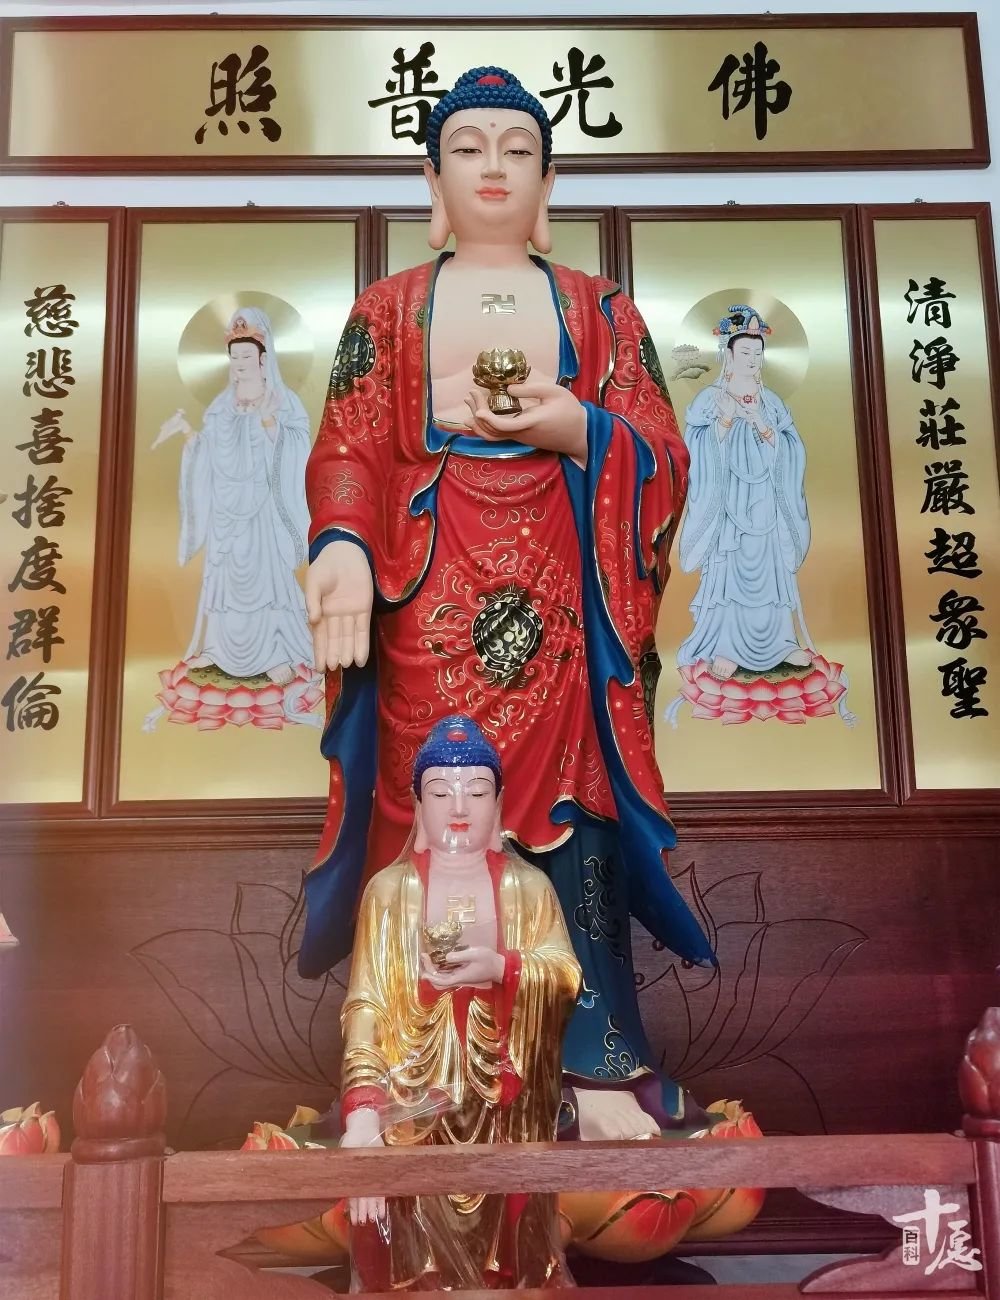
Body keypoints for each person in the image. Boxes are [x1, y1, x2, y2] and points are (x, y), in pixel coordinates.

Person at [299, 66, 715, 1133]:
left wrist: (575, 427)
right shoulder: (388, 308)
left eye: (517, 149)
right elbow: (346, 445)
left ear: (549, 182)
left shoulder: (599, 308)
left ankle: (594, 1059)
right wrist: (342, 542)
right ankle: (404, 1066)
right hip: (428, 593)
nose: (493, 166)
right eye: (469, 148)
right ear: (431, 180)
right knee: (429, 806)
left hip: (562, 599)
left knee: (574, 815)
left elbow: (663, 451)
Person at [340, 715, 580, 1290]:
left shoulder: (529, 888)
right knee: (411, 1257)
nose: (458, 807)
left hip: (506, 1103)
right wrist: (364, 1109)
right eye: (440, 791)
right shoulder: (390, 892)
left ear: (498, 804)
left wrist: (501, 968)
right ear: (417, 807)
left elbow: (566, 976)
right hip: (412, 1105)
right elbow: (366, 1005)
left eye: (476, 791)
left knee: (512, 1257)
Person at [153, 307, 314, 686]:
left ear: (263, 358)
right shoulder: (220, 405)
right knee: (225, 578)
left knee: (264, 579)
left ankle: (274, 652)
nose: (239, 364)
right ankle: (218, 648)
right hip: (226, 509)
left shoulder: (284, 400)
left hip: (264, 509)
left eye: (246, 356)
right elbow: (210, 450)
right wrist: (190, 437)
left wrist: (269, 422)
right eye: (234, 357)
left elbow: (299, 448)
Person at [677, 306, 812, 680]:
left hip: (767, 501)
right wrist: (723, 420)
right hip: (728, 504)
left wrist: (763, 427)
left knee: (770, 571)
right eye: (745, 353)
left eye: (758, 353)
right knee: (731, 572)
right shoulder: (708, 399)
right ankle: (727, 646)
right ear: (728, 355)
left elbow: (793, 449)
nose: (753, 360)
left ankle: (781, 642)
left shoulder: (773, 402)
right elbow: (694, 450)